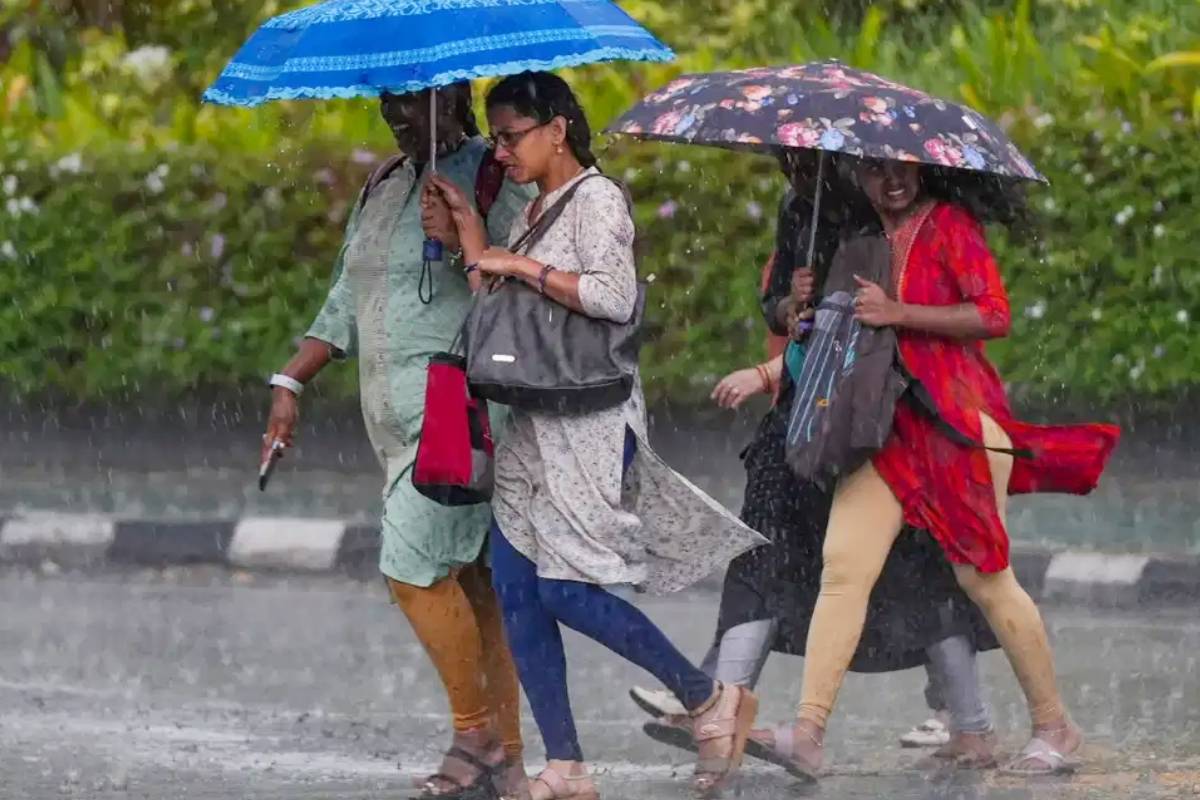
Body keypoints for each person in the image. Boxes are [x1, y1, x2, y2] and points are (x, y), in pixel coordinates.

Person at [427, 70, 766, 800]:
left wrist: (517, 261)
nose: (503, 152)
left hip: (587, 421)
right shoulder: (537, 208)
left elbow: (611, 299)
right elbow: (507, 300)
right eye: (497, 139)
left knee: (567, 589)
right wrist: (471, 234)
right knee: (518, 591)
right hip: (533, 421)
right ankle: (567, 765)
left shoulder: (598, 200)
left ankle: (706, 697)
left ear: (558, 130)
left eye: (513, 136)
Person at [630, 153, 1001, 772]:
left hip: (880, 418)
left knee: (916, 565)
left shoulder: (890, 212)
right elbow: (784, 310)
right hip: (804, 414)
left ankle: (970, 723)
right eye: (787, 162)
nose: (796, 172)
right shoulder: (800, 204)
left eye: (808, 162)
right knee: (764, 554)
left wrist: (833, 304)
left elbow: (897, 320)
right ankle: (721, 707)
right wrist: (789, 308)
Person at [759, 156, 1119, 778]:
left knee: (985, 579)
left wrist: (900, 314)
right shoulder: (860, 241)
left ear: (923, 170)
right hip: (887, 434)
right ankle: (808, 733)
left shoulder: (951, 225)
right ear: (859, 177)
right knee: (843, 569)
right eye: (876, 171)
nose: (892, 181)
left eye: (903, 170)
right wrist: (803, 312)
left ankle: (1056, 726)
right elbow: (845, 338)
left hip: (957, 428)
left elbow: (994, 315)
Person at [261, 83, 534, 798]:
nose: (399, 117)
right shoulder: (383, 184)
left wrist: (463, 235)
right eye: (390, 104)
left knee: (410, 565)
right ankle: (507, 761)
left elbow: (519, 292)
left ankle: (474, 735)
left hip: (459, 415)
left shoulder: (493, 174)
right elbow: (347, 299)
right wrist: (291, 381)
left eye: (414, 102)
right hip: (391, 423)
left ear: (453, 98)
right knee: (475, 588)